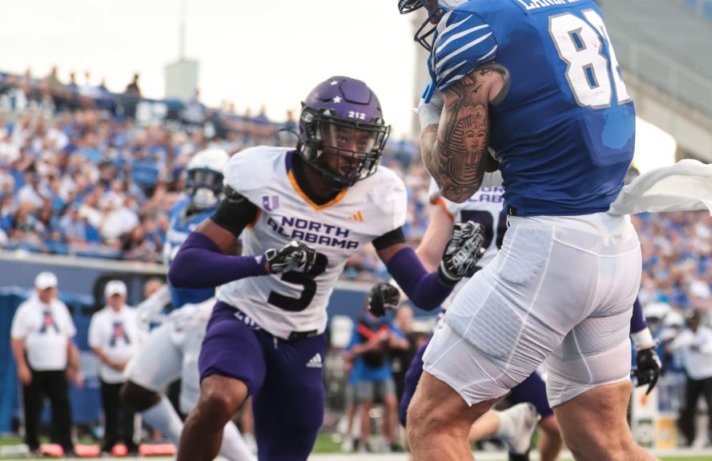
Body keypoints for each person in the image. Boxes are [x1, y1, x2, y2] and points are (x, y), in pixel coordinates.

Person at [394, 0, 659, 461]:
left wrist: (429, 123)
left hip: (551, 246)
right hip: (616, 244)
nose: (428, 13)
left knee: (432, 421)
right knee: (603, 438)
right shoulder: (575, 1)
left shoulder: (473, 28)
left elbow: (460, 180)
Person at [167, 76, 485, 461]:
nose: (354, 150)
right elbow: (184, 267)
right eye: (343, 136)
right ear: (312, 132)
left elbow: (421, 293)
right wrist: (261, 263)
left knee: (289, 448)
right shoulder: (263, 175)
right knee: (221, 396)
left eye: (362, 139)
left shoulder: (377, 195)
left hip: (303, 338)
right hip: (242, 318)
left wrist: (448, 275)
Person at [376, 179, 559, 459]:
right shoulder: (459, 173)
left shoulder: (542, 169)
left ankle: (511, 424)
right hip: (463, 314)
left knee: (561, 424)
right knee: (415, 433)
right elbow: (428, 256)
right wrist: (396, 287)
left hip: (524, 317)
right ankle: (507, 423)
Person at [120, 147, 255, 461]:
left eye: (210, 180)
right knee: (136, 389)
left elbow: (240, 270)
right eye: (197, 178)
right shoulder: (178, 208)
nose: (202, 187)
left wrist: (211, 306)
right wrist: (162, 298)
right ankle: (184, 445)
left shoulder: (230, 216)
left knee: (202, 407)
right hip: (180, 314)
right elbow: (181, 265)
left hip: (212, 316)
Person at [9, 271, 82, 456]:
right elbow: (17, 339)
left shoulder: (60, 308)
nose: (48, 293)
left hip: (57, 366)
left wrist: (74, 365)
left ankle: (66, 443)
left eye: (50, 289)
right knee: (33, 406)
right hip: (35, 365)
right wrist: (22, 365)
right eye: (45, 289)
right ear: (38, 289)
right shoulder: (27, 309)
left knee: (62, 406)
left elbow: (68, 339)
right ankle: (32, 443)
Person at [343, 306, 408, 452]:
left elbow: (403, 343)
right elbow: (349, 351)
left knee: (391, 402)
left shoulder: (386, 324)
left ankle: (390, 441)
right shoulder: (360, 325)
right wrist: (371, 345)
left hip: (383, 371)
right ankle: (365, 442)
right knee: (366, 405)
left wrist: (392, 341)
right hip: (363, 372)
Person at [88, 280, 140, 455]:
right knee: (110, 410)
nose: (116, 300)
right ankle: (109, 442)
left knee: (130, 411)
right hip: (109, 372)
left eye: (119, 297)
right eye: (113, 297)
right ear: (107, 298)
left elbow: (143, 341)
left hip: (130, 371)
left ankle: (131, 443)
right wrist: (111, 362)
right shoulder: (100, 318)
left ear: (124, 297)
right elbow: (95, 345)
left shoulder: (134, 315)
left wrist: (129, 362)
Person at [669, 310, 712, 447]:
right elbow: (673, 347)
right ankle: (690, 437)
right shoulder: (685, 335)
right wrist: (674, 340)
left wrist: (700, 348)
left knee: (711, 406)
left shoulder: (707, 333)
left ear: (699, 321)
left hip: (708, 374)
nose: (692, 323)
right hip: (693, 374)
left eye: (694, 320)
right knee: (690, 407)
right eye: (690, 320)